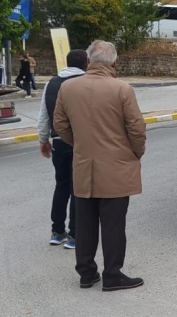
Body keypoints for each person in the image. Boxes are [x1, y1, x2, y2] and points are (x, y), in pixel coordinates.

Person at [54, 40, 146, 292]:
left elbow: (60, 124)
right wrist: (135, 152)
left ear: (88, 61)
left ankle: (86, 273)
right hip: (117, 167)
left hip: (84, 166)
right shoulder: (122, 89)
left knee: (84, 223)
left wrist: (80, 144)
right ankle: (112, 274)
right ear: (114, 63)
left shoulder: (68, 88)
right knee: (114, 225)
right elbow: (136, 128)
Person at [37, 49, 88, 250]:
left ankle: (57, 232)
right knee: (78, 189)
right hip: (81, 143)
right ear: (86, 63)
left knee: (61, 186)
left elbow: (43, 115)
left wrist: (43, 139)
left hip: (58, 141)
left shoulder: (52, 83)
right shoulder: (87, 82)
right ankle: (75, 235)